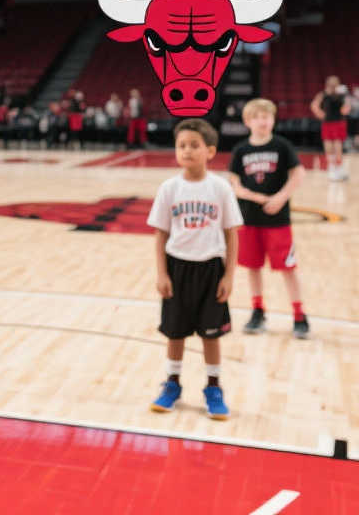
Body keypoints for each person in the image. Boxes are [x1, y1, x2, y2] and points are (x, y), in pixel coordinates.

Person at [147, 118, 242, 420]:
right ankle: (172, 383)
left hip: (211, 269)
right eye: (181, 146)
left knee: (210, 335)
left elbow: (232, 234)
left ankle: (213, 387)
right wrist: (162, 273)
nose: (187, 150)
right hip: (177, 267)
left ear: (210, 151)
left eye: (194, 145)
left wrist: (229, 276)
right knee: (175, 332)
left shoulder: (220, 188)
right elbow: (160, 234)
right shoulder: (169, 188)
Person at [228, 99, 309, 339]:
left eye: (267, 117)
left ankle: (299, 315)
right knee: (252, 267)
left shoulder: (282, 146)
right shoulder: (241, 150)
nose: (263, 121)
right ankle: (257, 310)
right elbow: (234, 183)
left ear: (273, 119)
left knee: (288, 268)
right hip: (249, 219)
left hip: (278, 220)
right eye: (257, 117)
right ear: (247, 121)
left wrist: (281, 198)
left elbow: (298, 174)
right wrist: (256, 197)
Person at [310, 75, 351, 180]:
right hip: (328, 123)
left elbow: (347, 108)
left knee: (338, 147)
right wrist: (320, 114)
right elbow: (314, 105)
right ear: (328, 84)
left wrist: (345, 108)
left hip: (339, 123)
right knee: (329, 147)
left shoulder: (341, 94)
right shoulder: (323, 94)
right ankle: (332, 169)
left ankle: (339, 169)